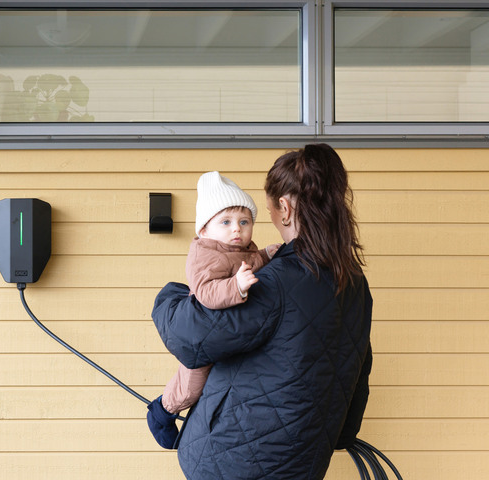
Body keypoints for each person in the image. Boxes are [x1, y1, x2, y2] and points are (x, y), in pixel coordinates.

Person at [151, 144, 373, 479]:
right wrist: (340, 433)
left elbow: (191, 341)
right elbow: (359, 367)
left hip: (231, 461)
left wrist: (170, 297)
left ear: (284, 208)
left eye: (267, 211)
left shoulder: (276, 282)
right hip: (306, 461)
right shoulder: (355, 283)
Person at [146, 171, 279, 449]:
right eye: (226, 222)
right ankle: (162, 411)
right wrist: (237, 287)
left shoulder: (242, 248)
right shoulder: (205, 254)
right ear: (204, 229)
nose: (237, 229)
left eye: (244, 222)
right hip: (203, 338)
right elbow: (206, 293)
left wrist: (268, 254)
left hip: (226, 335)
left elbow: (254, 261)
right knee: (191, 386)